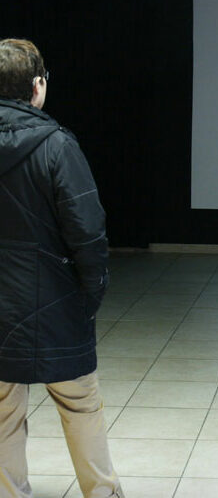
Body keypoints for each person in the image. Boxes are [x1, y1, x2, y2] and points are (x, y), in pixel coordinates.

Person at [0, 39, 123, 497]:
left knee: (3, 413)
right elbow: (88, 234)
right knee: (81, 407)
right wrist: (88, 298)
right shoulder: (57, 145)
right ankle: (102, 492)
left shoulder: (55, 143)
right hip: (57, 306)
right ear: (37, 86)